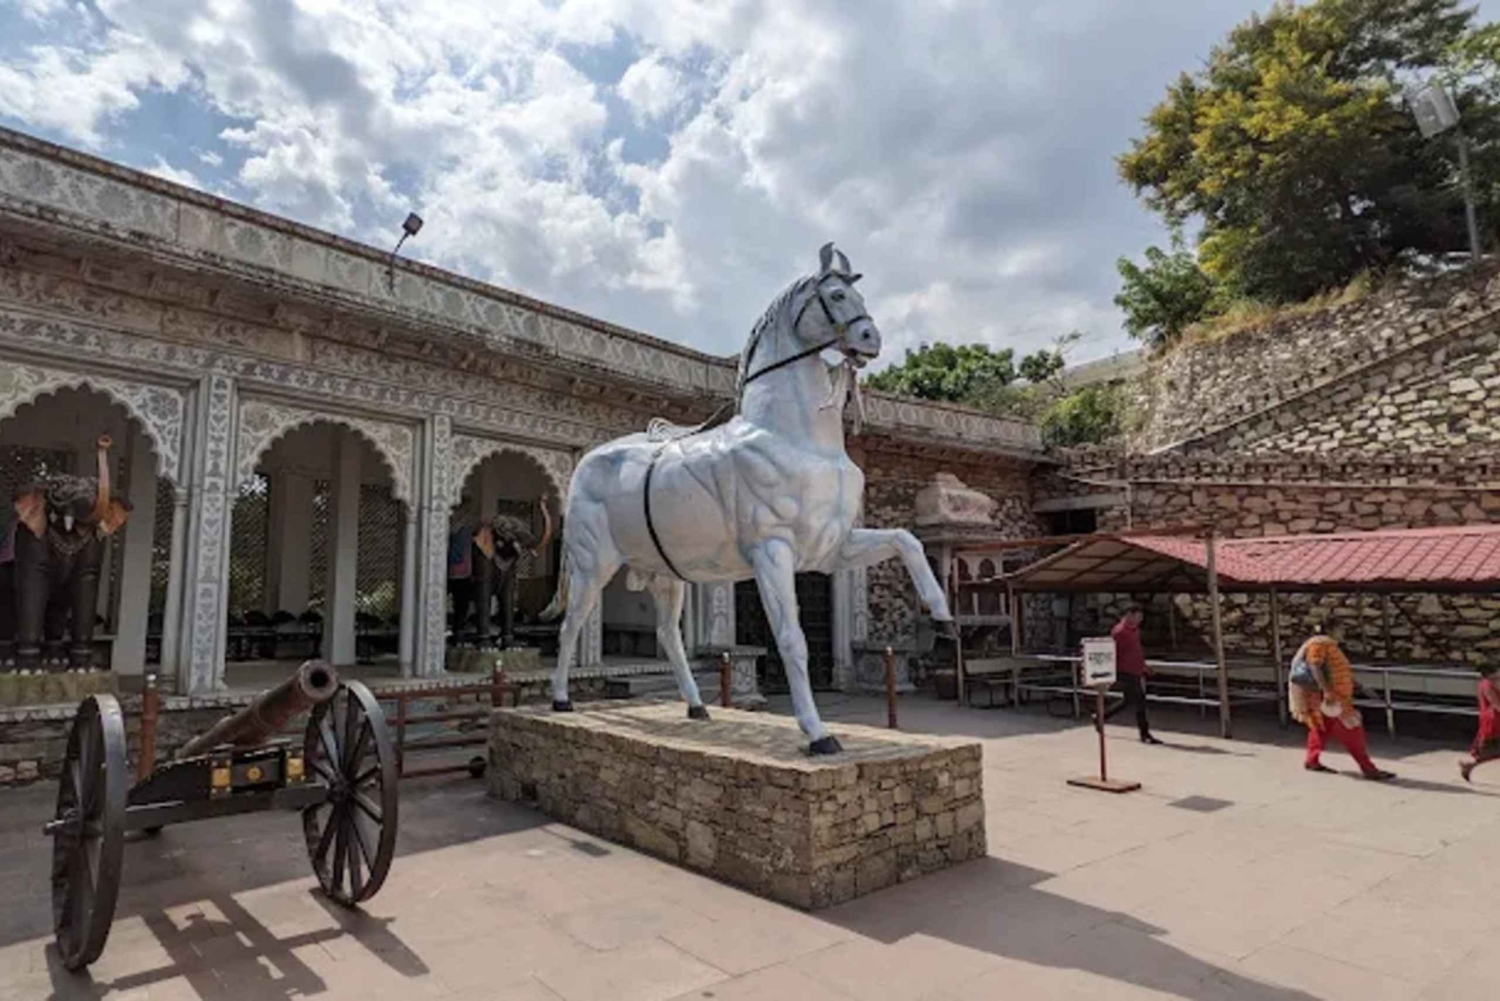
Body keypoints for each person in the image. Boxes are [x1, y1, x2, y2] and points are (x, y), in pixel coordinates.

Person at [1289, 633, 1394, 781]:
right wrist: (1326, 691)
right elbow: (1315, 666)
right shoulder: (1319, 644)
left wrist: (1354, 684)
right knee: (1352, 730)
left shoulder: (1329, 646)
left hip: (1334, 695)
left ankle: (1312, 760)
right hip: (1332, 697)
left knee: (1320, 728)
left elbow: (1335, 669)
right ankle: (1368, 768)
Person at [1102, 604, 1161, 745]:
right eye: (1138, 616)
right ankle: (1144, 734)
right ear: (1129, 614)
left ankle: (1101, 717)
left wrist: (1144, 666)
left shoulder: (1134, 630)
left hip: (1135, 669)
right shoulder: (1119, 632)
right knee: (1140, 701)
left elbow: (1137, 651)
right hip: (1125, 670)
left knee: (1129, 700)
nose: (1139, 620)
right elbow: (1113, 652)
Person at [1460, 664, 1500, 782]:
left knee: (1493, 750)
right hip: (1494, 720)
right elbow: (1496, 704)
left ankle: (1469, 765)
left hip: (1492, 719)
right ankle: (1469, 765)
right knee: (1492, 749)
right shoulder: (1487, 684)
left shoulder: (1488, 683)